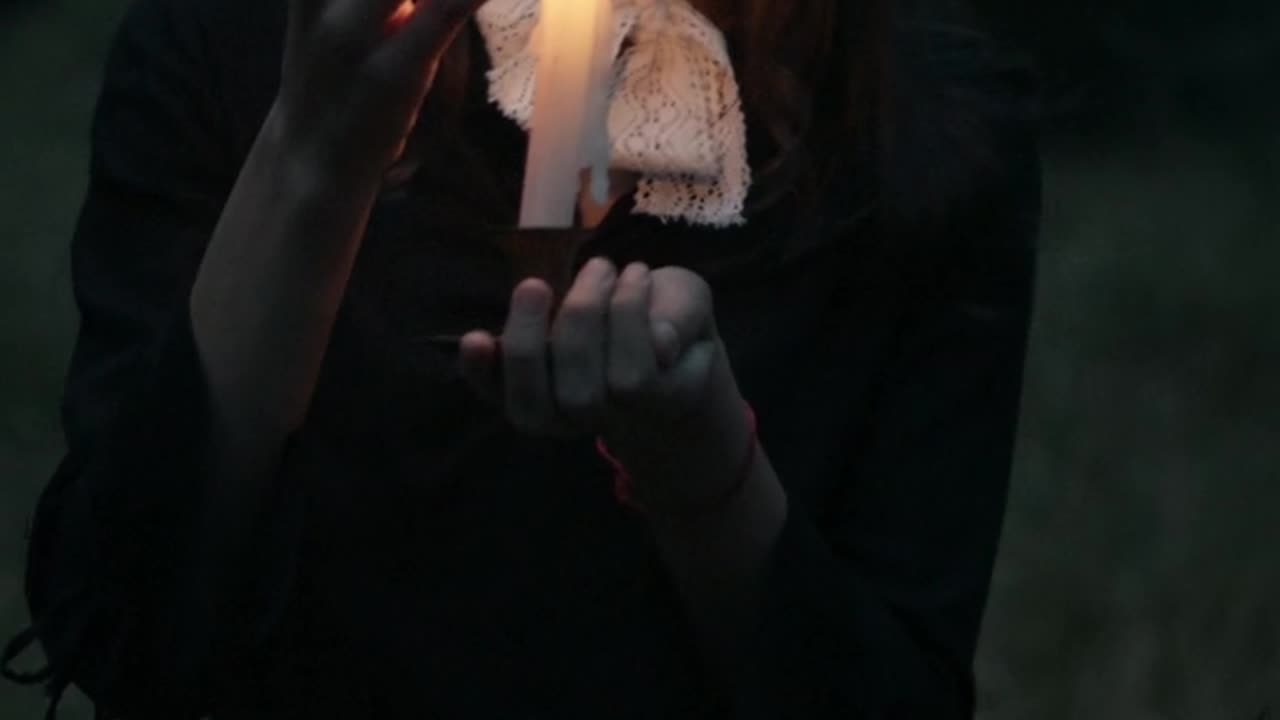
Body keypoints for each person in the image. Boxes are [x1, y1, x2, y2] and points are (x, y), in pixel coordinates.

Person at [2, 0, 1041, 717]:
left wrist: (705, 479)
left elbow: (884, 696)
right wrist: (310, 161)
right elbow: (126, 633)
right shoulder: (234, 52)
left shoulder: (918, 148)